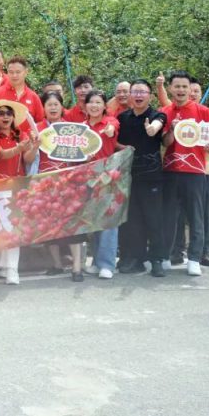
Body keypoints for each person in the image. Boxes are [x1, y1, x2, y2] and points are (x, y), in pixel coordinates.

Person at [161, 71, 209, 276]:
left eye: (184, 87)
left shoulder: (204, 112)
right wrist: (171, 130)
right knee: (168, 216)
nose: (181, 90)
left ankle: (194, 258)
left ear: (190, 89)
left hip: (195, 172)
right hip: (170, 170)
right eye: (177, 86)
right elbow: (164, 142)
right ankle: (166, 255)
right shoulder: (164, 112)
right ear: (170, 88)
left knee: (196, 217)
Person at [116, 80, 168, 277]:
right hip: (128, 175)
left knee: (154, 219)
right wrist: (122, 147)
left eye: (142, 92)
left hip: (151, 176)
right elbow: (114, 142)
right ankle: (135, 259)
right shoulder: (123, 118)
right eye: (135, 92)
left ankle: (157, 260)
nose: (138, 95)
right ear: (130, 95)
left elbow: (157, 125)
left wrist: (152, 129)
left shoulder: (157, 115)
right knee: (133, 219)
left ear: (150, 96)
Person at [70, 90, 122, 280]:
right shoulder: (81, 128)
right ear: (85, 106)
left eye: (98, 102)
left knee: (108, 221)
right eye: (91, 102)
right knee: (93, 221)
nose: (94, 106)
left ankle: (107, 264)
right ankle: (97, 262)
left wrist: (109, 131)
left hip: (106, 177)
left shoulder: (110, 121)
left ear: (104, 106)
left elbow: (112, 128)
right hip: (85, 178)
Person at [0, 100, 37, 285]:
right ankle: (1, 265)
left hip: (16, 185)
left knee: (14, 226)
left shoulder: (21, 134)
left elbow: (27, 159)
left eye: (8, 113)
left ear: (13, 117)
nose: (5, 116)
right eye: (0, 113)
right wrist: (19, 148)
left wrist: (34, 147)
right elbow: (0, 155)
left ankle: (12, 269)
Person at [36, 91, 86, 281]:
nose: (53, 108)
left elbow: (81, 154)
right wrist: (33, 145)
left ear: (61, 107)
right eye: (49, 105)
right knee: (49, 226)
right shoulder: (37, 129)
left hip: (69, 182)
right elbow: (30, 158)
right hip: (45, 183)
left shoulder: (71, 128)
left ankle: (76, 268)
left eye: (56, 104)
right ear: (43, 108)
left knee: (72, 225)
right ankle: (56, 264)